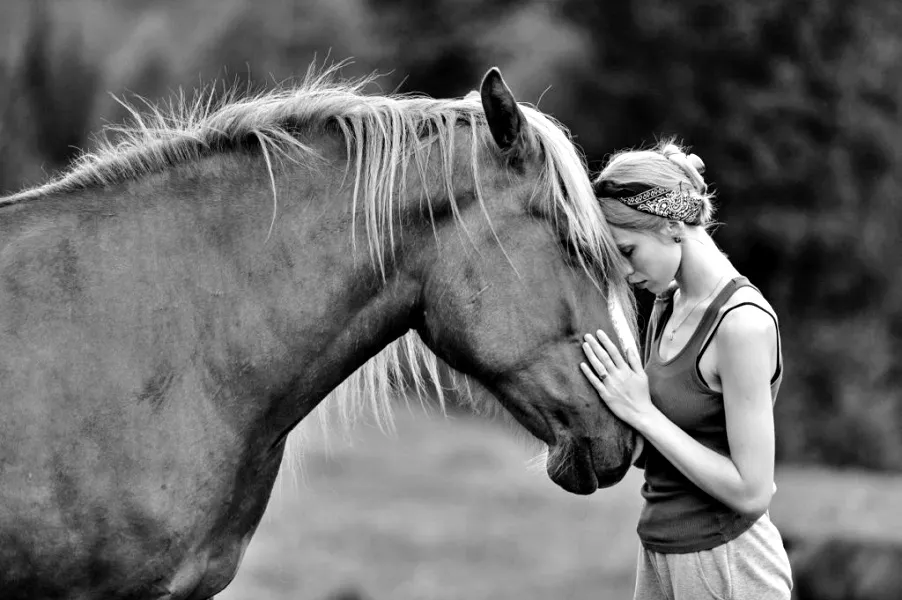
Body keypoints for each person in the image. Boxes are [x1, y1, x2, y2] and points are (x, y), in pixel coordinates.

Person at [580, 139, 793, 599]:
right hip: (660, 552)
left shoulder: (741, 325)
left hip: (729, 563)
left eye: (628, 251)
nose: (623, 271)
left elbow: (753, 492)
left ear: (673, 226)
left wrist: (642, 413)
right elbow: (663, 453)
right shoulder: (668, 303)